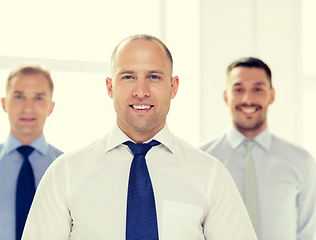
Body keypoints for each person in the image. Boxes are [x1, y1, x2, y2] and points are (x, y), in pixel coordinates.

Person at [22, 34, 256, 240]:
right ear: (110, 87)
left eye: (154, 77)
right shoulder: (64, 174)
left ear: (173, 87)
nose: (141, 91)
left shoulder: (210, 175)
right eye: (128, 77)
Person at [200, 57, 316, 240]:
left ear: (271, 95)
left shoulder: (302, 162)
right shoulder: (202, 159)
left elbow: (307, 234)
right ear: (226, 96)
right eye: (238, 89)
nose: (248, 99)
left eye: (258, 89)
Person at [0, 63, 63, 240]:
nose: (28, 108)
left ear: (51, 107)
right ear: (4, 103)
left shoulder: (68, 171)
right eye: (18, 96)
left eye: (38, 98)